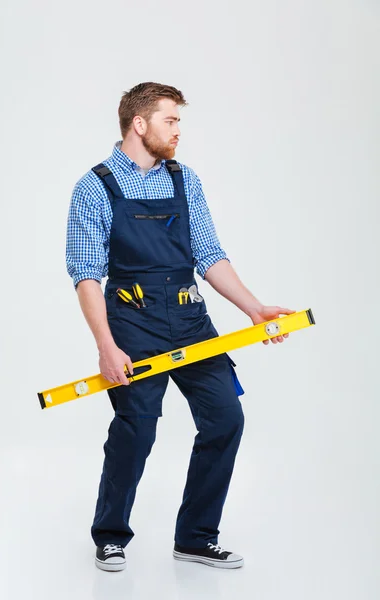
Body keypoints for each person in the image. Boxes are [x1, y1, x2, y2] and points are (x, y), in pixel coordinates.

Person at [66, 82, 294, 572]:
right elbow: (86, 275)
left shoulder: (183, 179)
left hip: (190, 319)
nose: (178, 131)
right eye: (170, 120)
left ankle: (194, 537)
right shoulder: (95, 185)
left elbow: (209, 255)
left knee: (225, 419)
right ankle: (110, 534)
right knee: (137, 429)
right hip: (132, 323)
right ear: (140, 124)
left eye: (179, 122)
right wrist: (106, 346)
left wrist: (254, 309)